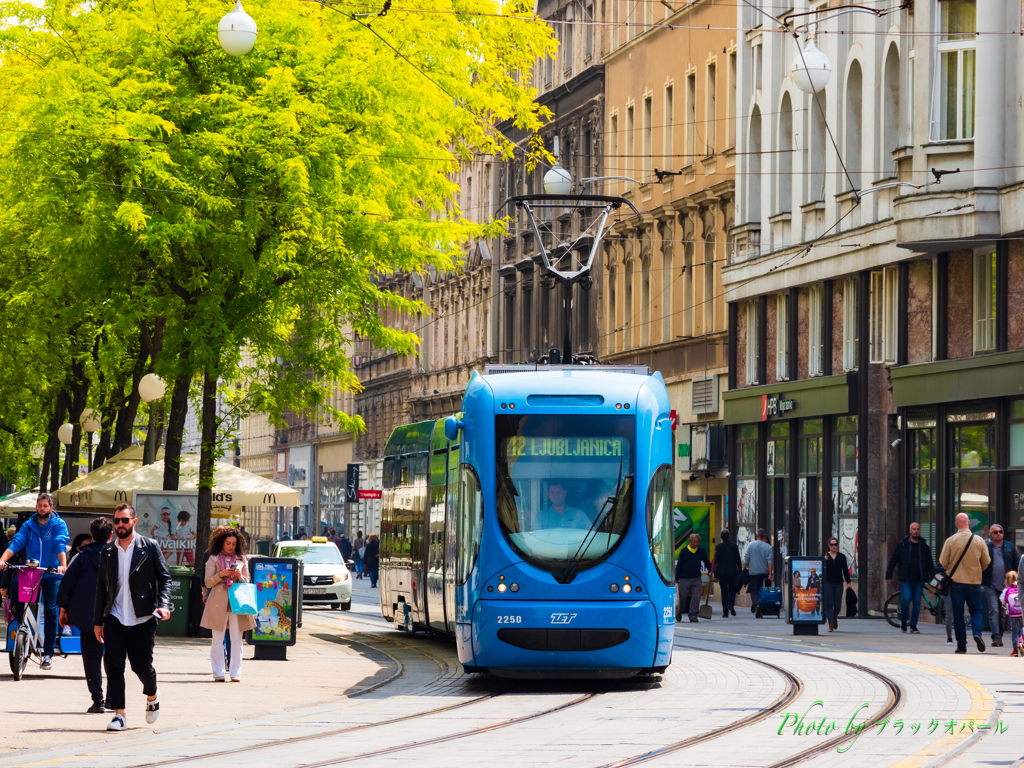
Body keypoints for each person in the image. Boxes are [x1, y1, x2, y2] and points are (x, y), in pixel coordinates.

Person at [93, 503, 172, 731]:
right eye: (116, 521)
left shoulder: (149, 547)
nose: (120, 525)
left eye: (124, 520)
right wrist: (98, 621)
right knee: (114, 666)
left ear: (134, 522)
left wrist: (163, 605)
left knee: (142, 667)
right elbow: (101, 588)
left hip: (143, 618)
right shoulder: (108, 551)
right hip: (115, 617)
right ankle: (119, 714)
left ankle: (152, 694)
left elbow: (165, 578)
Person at [0, 493, 69, 669]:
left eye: (46, 505)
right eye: (40, 505)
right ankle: (22, 619)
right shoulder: (28, 525)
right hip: (32, 573)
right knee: (15, 584)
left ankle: (48, 653)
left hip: (52, 573)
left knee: (52, 609)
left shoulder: (58, 524)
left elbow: (60, 544)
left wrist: (62, 565)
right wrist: (2, 559)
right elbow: (16, 543)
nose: (42, 508)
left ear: (51, 508)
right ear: (36, 507)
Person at [56, 516, 112, 713]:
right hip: (115, 615)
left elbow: (67, 583)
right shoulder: (118, 556)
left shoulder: (81, 557)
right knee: (114, 657)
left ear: (91, 535)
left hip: (88, 616)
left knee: (91, 658)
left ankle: (98, 700)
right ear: (111, 535)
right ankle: (112, 699)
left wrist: (63, 608)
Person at [200, 527, 256, 682]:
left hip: (237, 602)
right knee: (217, 638)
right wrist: (221, 574)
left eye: (233, 544)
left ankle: (235, 673)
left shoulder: (242, 559)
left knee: (236, 638)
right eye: (228, 543)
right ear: (221, 543)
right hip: (218, 601)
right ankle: (218, 672)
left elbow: (248, 581)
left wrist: (239, 575)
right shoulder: (213, 558)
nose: (231, 546)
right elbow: (207, 582)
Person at [938, 513, 990, 654]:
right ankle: (977, 633)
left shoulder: (950, 540)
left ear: (956, 524)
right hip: (974, 582)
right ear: (968, 523)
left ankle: (961, 646)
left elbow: (943, 562)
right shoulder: (979, 541)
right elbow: (987, 561)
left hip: (956, 583)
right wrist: (977, 570)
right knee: (976, 609)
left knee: (958, 613)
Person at [885, 522, 935, 634]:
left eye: (918, 529)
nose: (916, 531)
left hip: (919, 579)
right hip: (905, 579)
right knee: (907, 598)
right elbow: (893, 560)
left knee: (917, 602)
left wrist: (933, 578)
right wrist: (888, 575)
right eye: (914, 529)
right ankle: (903, 621)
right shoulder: (902, 545)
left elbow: (930, 564)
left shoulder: (924, 546)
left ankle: (913, 626)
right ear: (910, 531)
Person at [982, 524, 1017, 647]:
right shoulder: (986, 547)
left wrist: (1016, 580)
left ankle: (1000, 636)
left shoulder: (1009, 547)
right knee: (994, 610)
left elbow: (1016, 563)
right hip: (990, 585)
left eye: (1000, 531)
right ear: (991, 534)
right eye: (996, 532)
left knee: (1002, 614)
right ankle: (995, 637)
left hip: (1006, 587)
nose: (998, 534)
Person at [675, 533, 712, 623]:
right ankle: (679, 612)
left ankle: (693, 615)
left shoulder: (701, 551)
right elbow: (679, 565)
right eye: (694, 542)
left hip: (696, 578)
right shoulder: (684, 551)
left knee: (697, 597)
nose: (696, 544)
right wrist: (676, 578)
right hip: (684, 578)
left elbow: (706, 562)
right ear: (690, 541)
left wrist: (710, 570)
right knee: (683, 597)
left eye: (697, 542)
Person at [742, 529, 773, 617]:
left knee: (754, 591)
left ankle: (756, 605)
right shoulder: (768, 547)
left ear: (756, 535)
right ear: (764, 536)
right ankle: (761, 606)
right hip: (764, 573)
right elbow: (770, 561)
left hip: (753, 573)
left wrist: (744, 569)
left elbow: (746, 558)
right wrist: (770, 573)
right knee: (763, 590)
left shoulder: (750, 545)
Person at [823, 537, 852, 632]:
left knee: (837, 604)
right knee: (829, 604)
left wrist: (848, 582)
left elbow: (845, 570)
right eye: (832, 545)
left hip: (839, 583)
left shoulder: (841, 557)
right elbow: (821, 569)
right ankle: (830, 623)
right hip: (828, 583)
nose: (834, 546)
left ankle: (834, 618)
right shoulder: (824, 556)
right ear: (829, 546)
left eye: (835, 544)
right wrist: (824, 561)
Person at [713, 529, 741, 618]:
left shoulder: (718, 547)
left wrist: (714, 572)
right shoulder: (734, 546)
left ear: (721, 537)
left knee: (724, 592)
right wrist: (740, 571)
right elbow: (738, 560)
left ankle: (725, 612)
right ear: (729, 536)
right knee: (732, 590)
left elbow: (716, 560)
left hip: (722, 572)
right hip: (732, 571)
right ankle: (730, 604)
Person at [999, 571, 1022, 657]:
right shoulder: (1021, 588)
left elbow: (1002, 599)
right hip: (1022, 613)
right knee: (1022, 627)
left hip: (1012, 614)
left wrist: (1005, 603)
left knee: (1014, 631)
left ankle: (1015, 650)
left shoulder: (1007, 589)